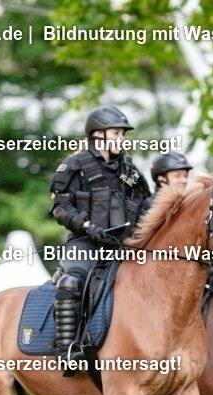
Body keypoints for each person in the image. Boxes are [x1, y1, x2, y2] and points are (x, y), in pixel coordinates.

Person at [48, 105, 151, 358]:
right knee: (71, 282)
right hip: (85, 243)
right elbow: (61, 208)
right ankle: (67, 350)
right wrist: (87, 226)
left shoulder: (130, 171)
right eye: (116, 133)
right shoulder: (74, 166)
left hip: (123, 246)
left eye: (122, 134)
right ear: (98, 134)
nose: (121, 139)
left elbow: (147, 207)